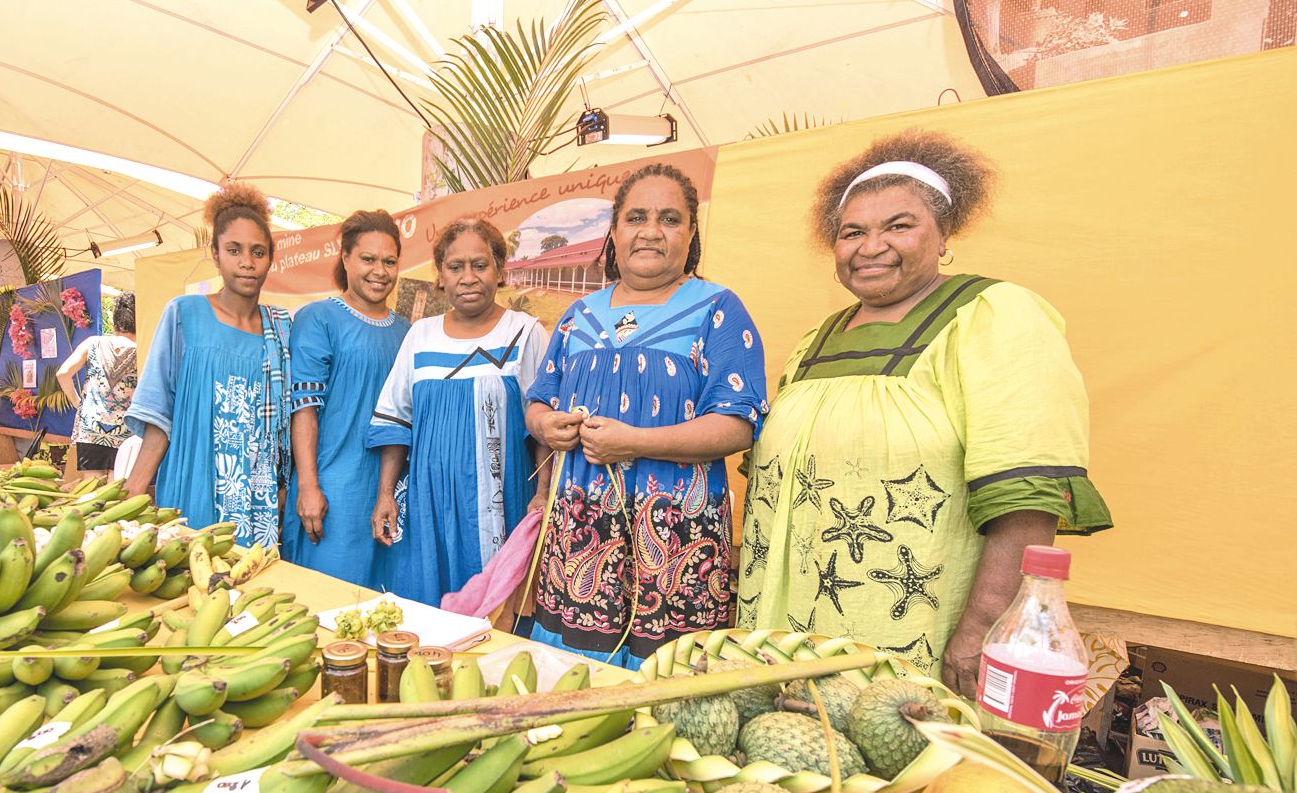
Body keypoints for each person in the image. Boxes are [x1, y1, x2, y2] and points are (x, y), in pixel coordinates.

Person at [737, 129, 1112, 696]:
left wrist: (983, 628)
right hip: (784, 636)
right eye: (852, 232)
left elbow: (1026, 491)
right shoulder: (817, 339)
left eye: (898, 226)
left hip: (910, 641)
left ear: (944, 236)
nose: (870, 246)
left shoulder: (992, 316)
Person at [526, 164, 768, 667]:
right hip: (579, 538)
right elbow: (540, 399)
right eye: (636, 217)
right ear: (614, 231)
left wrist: (635, 442)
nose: (651, 231)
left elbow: (737, 424)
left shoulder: (717, 310)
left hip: (677, 543)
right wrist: (545, 425)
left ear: (691, 231)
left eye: (670, 219)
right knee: (573, 686)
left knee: (665, 692)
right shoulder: (579, 315)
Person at [367, 218, 548, 607]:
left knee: (498, 609)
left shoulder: (524, 333)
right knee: (431, 608)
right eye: (455, 267)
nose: (468, 277)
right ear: (441, 276)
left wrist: (544, 493)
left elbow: (544, 425)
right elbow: (396, 421)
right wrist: (386, 495)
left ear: (500, 271)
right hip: (429, 503)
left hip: (505, 504)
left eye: (480, 265)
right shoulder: (421, 335)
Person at [125, 185, 292, 546]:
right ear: (215, 254)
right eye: (234, 250)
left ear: (270, 258)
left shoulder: (282, 328)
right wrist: (133, 493)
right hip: (194, 479)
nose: (246, 262)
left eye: (257, 252)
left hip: (257, 499)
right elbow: (158, 415)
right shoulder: (185, 314)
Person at [283, 211, 409, 588]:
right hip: (334, 490)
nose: (380, 271)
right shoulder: (318, 318)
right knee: (328, 603)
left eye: (389, 261)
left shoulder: (408, 332)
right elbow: (304, 409)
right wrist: (308, 486)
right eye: (368, 259)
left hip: (394, 490)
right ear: (346, 258)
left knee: (385, 610)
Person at [57, 292, 138, 472]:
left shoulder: (92, 343)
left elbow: (63, 373)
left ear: (115, 321)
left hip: (91, 427)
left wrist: (79, 404)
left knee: (91, 488)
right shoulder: (141, 351)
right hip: (125, 430)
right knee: (117, 487)